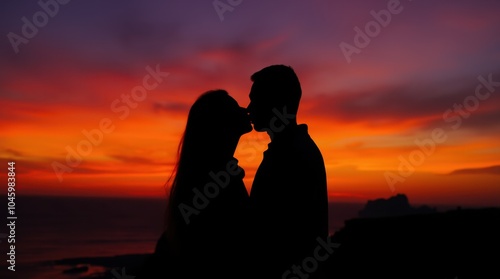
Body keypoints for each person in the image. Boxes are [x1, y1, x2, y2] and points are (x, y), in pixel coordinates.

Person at [137, 90, 253, 279]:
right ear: (220, 123)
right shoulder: (218, 183)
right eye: (234, 107)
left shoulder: (216, 176)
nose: (245, 110)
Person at [247, 65, 329, 278]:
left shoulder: (293, 155)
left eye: (255, 99)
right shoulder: (290, 150)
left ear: (276, 103)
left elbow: (284, 236)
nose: (249, 108)